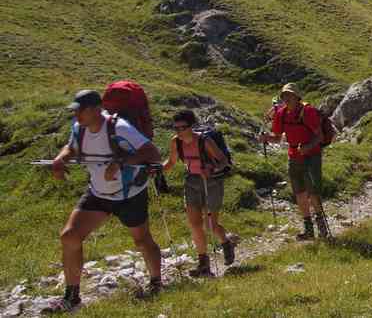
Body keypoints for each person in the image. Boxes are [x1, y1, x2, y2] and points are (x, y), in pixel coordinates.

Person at [46, 90, 163, 313]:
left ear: (94, 109)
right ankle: (72, 296)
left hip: (129, 194)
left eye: (79, 110)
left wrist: (121, 162)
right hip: (98, 193)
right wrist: (61, 158)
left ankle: (156, 282)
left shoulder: (119, 128)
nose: (76, 114)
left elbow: (152, 153)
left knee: (142, 241)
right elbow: (72, 147)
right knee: (69, 236)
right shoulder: (79, 128)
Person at [162, 110, 237, 276]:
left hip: (212, 182)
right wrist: (156, 171)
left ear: (191, 126)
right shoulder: (176, 142)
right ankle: (203, 264)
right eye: (176, 128)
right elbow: (171, 162)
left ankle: (226, 242)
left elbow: (224, 162)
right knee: (195, 224)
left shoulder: (205, 141)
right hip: (192, 182)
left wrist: (211, 168)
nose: (179, 131)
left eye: (183, 127)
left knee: (210, 225)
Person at [259, 83, 329, 240]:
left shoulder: (308, 111)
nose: (286, 98)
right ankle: (308, 229)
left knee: (313, 192)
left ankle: (322, 227)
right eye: (284, 96)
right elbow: (277, 138)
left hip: (312, 157)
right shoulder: (281, 113)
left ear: (297, 97)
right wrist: (266, 138)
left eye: (289, 95)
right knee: (299, 193)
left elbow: (320, 136)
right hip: (293, 156)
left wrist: (307, 147)